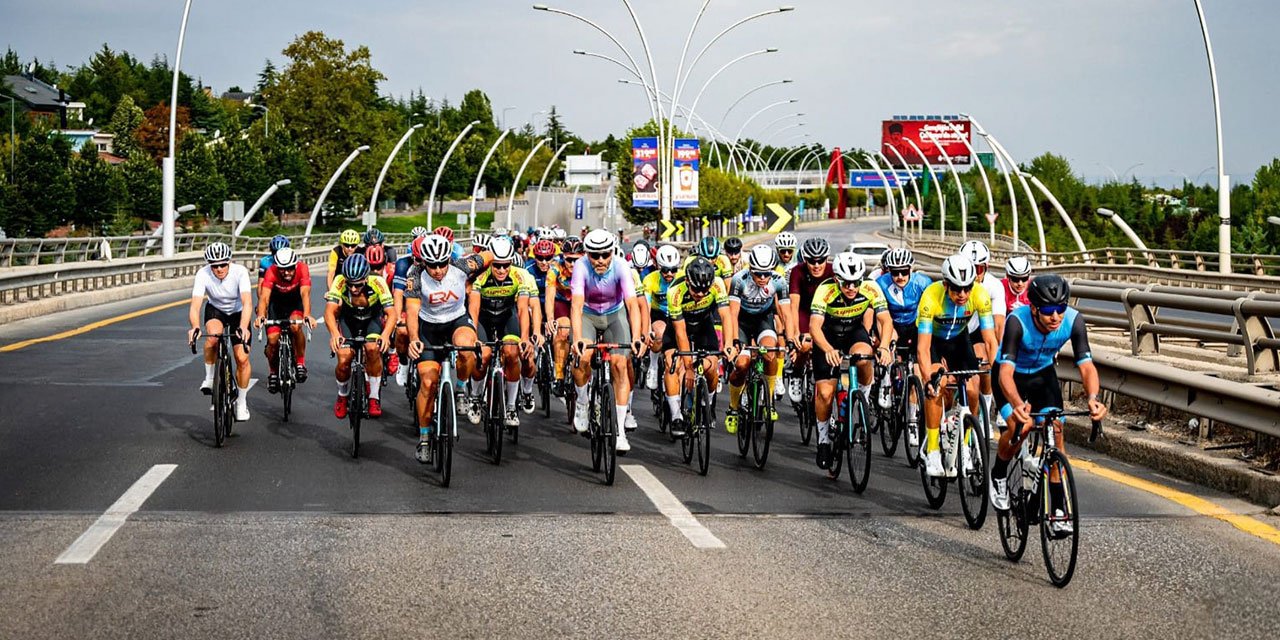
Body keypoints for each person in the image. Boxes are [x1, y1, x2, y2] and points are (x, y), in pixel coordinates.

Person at [989, 275, 1107, 534]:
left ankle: (1057, 509)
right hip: (1011, 376)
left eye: (1060, 309)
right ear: (1033, 308)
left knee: (1056, 434)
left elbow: (1086, 366)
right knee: (1021, 426)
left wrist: (1093, 399)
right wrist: (1018, 404)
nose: (1055, 317)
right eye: (1048, 311)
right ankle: (998, 473)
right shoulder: (1016, 322)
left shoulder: (1074, 321)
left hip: (1043, 375)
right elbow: (1005, 375)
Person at [405, 235, 494, 463]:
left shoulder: (461, 266)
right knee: (427, 383)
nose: (437, 270)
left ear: (449, 259)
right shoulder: (415, 276)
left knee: (466, 347)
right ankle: (425, 437)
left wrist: (472, 281)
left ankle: (461, 388)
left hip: (456, 321)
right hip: (428, 327)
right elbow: (412, 311)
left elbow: (490, 255)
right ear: (423, 262)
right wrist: (414, 338)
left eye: (442, 263)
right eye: (432, 265)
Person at [916, 254, 997, 477]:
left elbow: (990, 340)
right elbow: (923, 347)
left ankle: (964, 446)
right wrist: (927, 379)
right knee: (937, 387)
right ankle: (932, 449)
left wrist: (1000, 370)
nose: (962, 294)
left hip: (960, 341)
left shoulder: (980, 296)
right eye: (956, 289)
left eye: (967, 288)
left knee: (973, 389)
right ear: (945, 285)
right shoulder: (931, 297)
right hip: (934, 342)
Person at [808, 252, 892, 470]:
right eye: (847, 283)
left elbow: (885, 319)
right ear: (837, 279)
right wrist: (827, 349)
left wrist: (883, 346)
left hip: (854, 332)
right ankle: (824, 439)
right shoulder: (825, 290)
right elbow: (814, 326)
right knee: (826, 393)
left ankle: (861, 398)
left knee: (865, 358)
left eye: (856, 282)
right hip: (828, 336)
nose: (852, 287)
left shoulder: (871, 288)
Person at [569, 229, 647, 452]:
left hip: (615, 314)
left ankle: (620, 431)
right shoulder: (580, 267)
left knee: (620, 365)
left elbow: (633, 305)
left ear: (612, 252)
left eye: (605, 254)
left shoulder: (622, 266)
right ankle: (583, 401)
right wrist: (577, 339)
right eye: (595, 255)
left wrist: (636, 337)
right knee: (583, 356)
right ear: (588, 254)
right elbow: (575, 305)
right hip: (588, 314)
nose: (601, 260)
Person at [467, 236, 540, 428]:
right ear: (490, 262)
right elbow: (473, 310)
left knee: (512, 353)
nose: (501, 270)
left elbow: (523, 309)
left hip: (507, 317)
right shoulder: (479, 277)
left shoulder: (520, 276)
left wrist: (524, 338)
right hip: (484, 318)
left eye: (505, 265)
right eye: (497, 265)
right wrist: (473, 336)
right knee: (482, 356)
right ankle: (475, 397)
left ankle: (510, 407)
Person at [725, 244, 792, 434]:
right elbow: (732, 314)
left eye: (766, 274)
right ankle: (733, 408)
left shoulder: (779, 281)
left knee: (771, 354)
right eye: (758, 274)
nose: (763, 278)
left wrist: (791, 338)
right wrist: (731, 342)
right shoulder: (739, 280)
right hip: (742, 322)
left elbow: (787, 314)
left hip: (763, 320)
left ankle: (769, 402)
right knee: (742, 364)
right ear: (751, 269)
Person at [664, 257, 734, 437]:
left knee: (711, 368)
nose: (701, 294)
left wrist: (728, 344)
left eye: (705, 290)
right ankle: (676, 416)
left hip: (703, 325)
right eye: (696, 289)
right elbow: (680, 333)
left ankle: (707, 405)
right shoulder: (675, 292)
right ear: (687, 281)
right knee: (671, 363)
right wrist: (688, 367)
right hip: (680, 327)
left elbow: (726, 317)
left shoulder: (718, 284)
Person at [324, 254, 396, 419]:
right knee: (343, 358)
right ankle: (342, 395)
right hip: (348, 319)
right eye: (350, 284)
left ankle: (374, 398)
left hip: (372, 318)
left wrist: (385, 335)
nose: (353, 289)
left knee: (372, 349)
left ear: (366, 278)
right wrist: (334, 334)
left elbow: (391, 313)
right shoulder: (340, 280)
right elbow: (329, 311)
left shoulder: (377, 281)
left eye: (357, 285)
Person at [188, 242, 254, 422]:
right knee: (213, 338)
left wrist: (243, 326)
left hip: (238, 312)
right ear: (209, 265)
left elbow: (247, 302)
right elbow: (195, 306)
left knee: (242, 358)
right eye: (214, 265)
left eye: (223, 264)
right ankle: (210, 378)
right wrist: (195, 326)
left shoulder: (240, 272)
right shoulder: (203, 274)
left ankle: (241, 402)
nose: (219, 269)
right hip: (216, 309)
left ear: (229, 261)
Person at [254, 247, 316, 394]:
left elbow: (305, 294)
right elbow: (264, 297)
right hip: (277, 304)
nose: (286, 272)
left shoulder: (302, 269)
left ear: (295, 265)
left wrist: (307, 315)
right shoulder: (271, 272)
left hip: (295, 302)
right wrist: (261, 316)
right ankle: (273, 373)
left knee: (295, 327)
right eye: (282, 269)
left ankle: (300, 363)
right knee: (272, 340)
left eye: (289, 269)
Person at [960, 240, 1007, 425]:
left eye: (978, 268)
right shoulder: (954, 284)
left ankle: (985, 411)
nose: (973, 273)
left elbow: (998, 325)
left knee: (986, 362)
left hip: (978, 329)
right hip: (955, 330)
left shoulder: (994, 286)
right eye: (969, 268)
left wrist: (998, 361)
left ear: (986, 267)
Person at [786, 237, 834, 403]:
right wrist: (794, 333)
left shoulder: (833, 271)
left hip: (825, 314)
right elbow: (793, 306)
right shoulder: (797, 271)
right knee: (805, 345)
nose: (816, 265)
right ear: (804, 259)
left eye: (820, 260)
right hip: (804, 312)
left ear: (826, 259)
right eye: (811, 261)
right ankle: (797, 374)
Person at [547, 236, 585, 396]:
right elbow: (549, 296)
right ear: (563, 257)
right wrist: (549, 318)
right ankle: (560, 375)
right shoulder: (555, 269)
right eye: (569, 260)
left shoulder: (588, 268)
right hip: (562, 302)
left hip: (582, 302)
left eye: (576, 260)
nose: (572, 264)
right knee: (562, 330)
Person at [642, 244, 683, 391]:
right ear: (657, 266)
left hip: (677, 312)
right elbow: (645, 308)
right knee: (659, 334)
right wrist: (647, 331)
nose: (670, 274)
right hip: (657, 312)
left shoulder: (683, 277)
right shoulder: (650, 279)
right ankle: (653, 366)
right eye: (665, 270)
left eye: (673, 270)